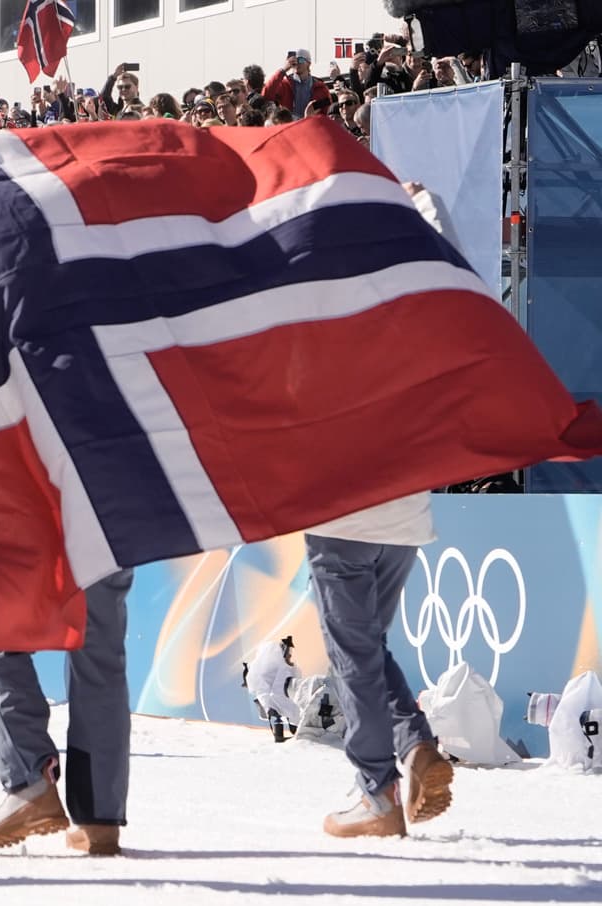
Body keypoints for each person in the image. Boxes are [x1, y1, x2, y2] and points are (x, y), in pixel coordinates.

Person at [304, 182, 457, 838]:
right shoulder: (421, 306)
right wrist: (423, 204)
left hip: (341, 507)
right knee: (366, 649)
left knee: (353, 655)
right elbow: (451, 258)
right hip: (406, 505)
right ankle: (415, 747)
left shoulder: (320, 302)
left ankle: (377, 791)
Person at [0, 569, 134, 857]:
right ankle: (99, 818)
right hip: (112, 529)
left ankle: (30, 782)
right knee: (98, 655)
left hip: (40, 528)